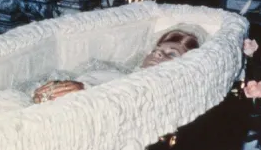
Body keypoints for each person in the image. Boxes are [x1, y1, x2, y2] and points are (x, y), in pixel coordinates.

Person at [31, 28, 202, 103]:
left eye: (171, 54)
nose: (158, 54)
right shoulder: (117, 73)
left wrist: (82, 90)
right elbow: (93, 80)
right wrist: (78, 87)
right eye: (157, 50)